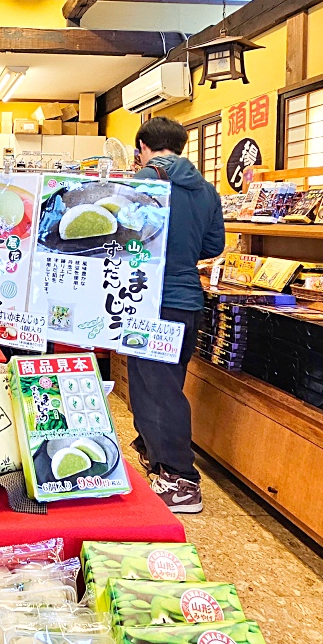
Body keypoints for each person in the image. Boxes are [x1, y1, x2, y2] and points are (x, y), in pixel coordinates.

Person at [127, 116, 225, 514]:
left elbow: (121, 235)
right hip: (187, 302)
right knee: (162, 382)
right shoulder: (205, 190)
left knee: (158, 388)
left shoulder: (144, 183)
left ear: (142, 147)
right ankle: (156, 458)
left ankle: (182, 480)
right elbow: (213, 244)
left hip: (150, 301)